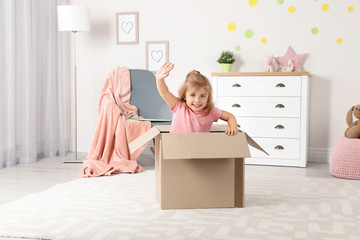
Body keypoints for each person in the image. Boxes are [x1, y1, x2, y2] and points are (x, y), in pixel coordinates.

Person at [156, 62, 238, 136]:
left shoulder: (211, 111)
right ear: (185, 95)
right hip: (177, 148)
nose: (197, 100)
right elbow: (164, 92)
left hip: (198, 150)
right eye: (193, 95)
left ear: (208, 97)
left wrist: (233, 129)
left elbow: (229, 116)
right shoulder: (179, 106)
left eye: (202, 96)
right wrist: (159, 79)